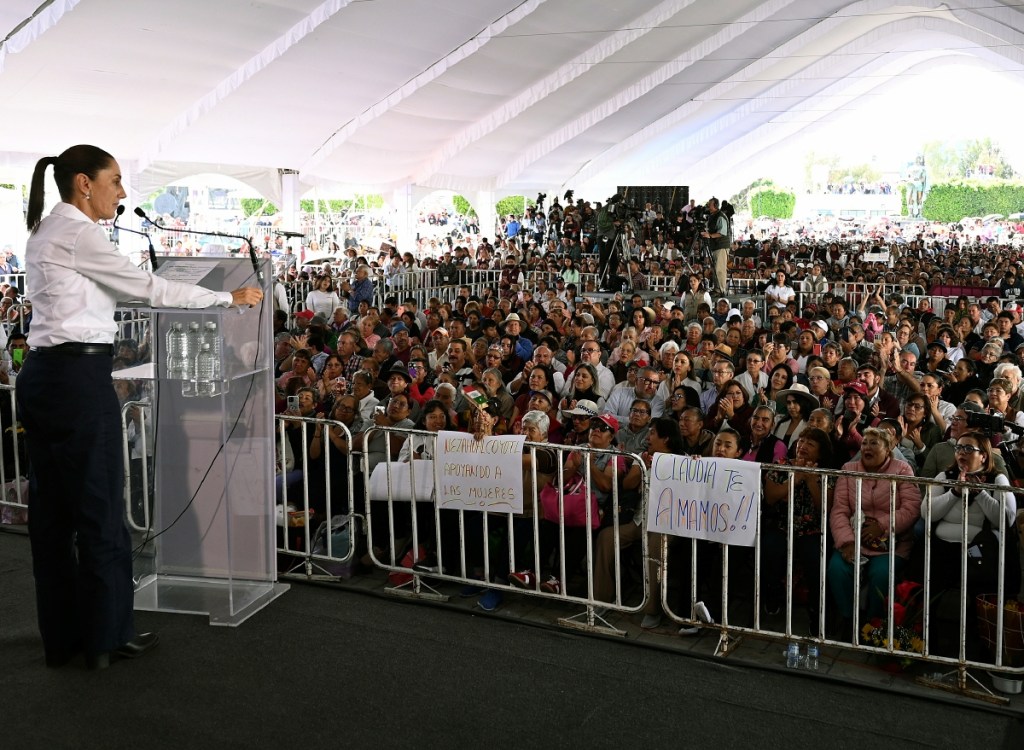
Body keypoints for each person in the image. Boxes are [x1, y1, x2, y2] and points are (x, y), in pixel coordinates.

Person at [18, 145, 263, 670]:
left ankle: (63, 640)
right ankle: (107, 637)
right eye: (116, 181)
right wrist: (227, 299)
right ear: (84, 183)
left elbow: (96, 295)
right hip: (79, 380)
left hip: (41, 376)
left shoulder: (42, 231)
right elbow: (148, 288)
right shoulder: (81, 234)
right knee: (102, 511)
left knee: (52, 518)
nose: (123, 193)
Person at [828, 427, 921, 635]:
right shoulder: (848, 469)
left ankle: (873, 625)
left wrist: (882, 525)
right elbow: (839, 510)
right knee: (837, 569)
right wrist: (847, 541)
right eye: (865, 443)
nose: (867, 448)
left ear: (888, 449)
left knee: (881, 575)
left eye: (874, 443)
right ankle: (848, 619)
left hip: (892, 542)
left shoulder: (902, 469)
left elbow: (912, 508)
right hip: (855, 539)